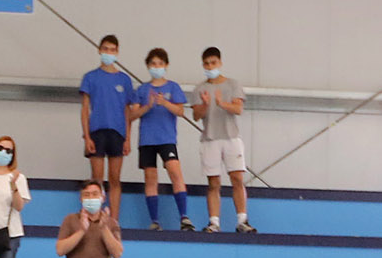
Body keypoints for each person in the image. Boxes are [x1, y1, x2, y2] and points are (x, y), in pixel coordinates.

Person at [193, 47, 253, 234]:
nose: (210, 67)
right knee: (213, 183)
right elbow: (196, 115)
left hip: (231, 138)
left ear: (220, 63)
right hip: (210, 139)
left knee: (237, 178)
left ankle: (242, 220)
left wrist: (221, 103)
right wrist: (205, 104)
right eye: (207, 64)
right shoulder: (200, 89)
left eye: (213, 63)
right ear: (203, 65)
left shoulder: (233, 85)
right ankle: (214, 222)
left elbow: (238, 109)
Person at [80, 37, 138, 222]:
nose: (108, 52)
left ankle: (113, 220)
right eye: (105, 49)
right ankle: (94, 217)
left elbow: (128, 111)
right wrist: (87, 136)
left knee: (115, 178)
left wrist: (128, 138)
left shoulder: (124, 80)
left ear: (117, 52)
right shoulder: (90, 77)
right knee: (97, 178)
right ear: (99, 50)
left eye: (112, 49)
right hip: (97, 131)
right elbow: (84, 109)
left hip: (117, 133)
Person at [134, 49, 192, 231]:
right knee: (150, 178)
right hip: (147, 140)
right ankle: (155, 220)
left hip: (166, 138)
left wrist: (164, 103)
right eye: (153, 64)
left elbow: (181, 111)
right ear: (148, 66)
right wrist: (149, 105)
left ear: (166, 65)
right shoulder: (142, 90)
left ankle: (184, 216)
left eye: (160, 63)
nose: (156, 67)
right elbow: (132, 114)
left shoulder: (173, 87)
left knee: (175, 172)